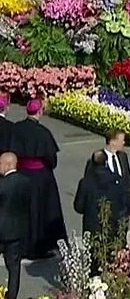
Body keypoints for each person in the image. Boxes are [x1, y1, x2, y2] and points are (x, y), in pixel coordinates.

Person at [9, 100, 65, 260]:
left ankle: (21, 246)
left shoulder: (16, 128)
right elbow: (51, 159)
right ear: (39, 112)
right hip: (41, 178)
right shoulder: (43, 132)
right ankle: (40, 247)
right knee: (41, 211)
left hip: (21, 173)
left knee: (22, 211)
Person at [73, 151, 130, 261]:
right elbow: (124, 202)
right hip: (113, 226)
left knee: (94, 261)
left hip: (92, 228)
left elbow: (78, 207)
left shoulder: (85, 183)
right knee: (112, 259)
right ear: (105, 163)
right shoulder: (117, 179)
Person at [0, 153, 29, 299]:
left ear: (8, 164)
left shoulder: (2, 185)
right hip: (17, 232)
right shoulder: (26, 182)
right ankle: (11, 296)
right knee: (14, 267)